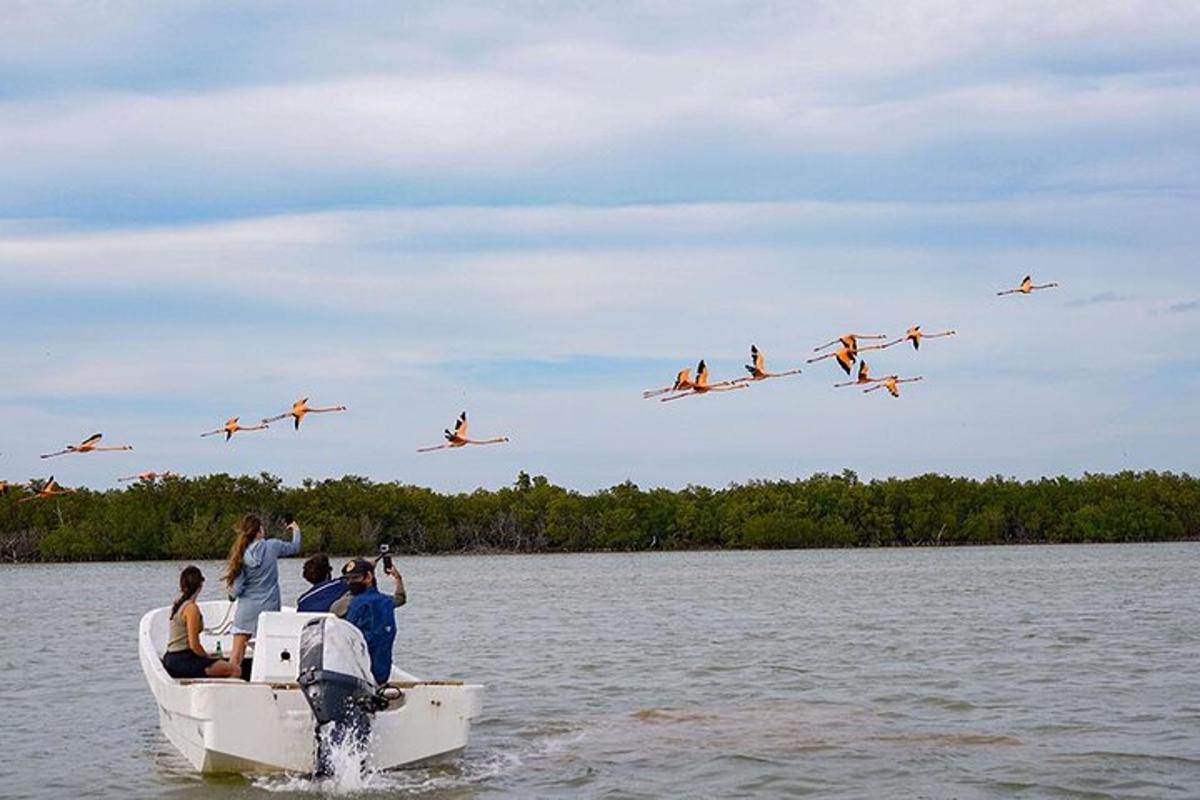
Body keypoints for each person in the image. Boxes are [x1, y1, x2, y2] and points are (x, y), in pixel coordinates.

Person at [224, 513, 301, 668]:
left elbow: (237, 590)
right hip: (269, 610)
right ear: (260, 530)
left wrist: (230, 595)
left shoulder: (241, 554)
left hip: (246, 612)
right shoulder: (273, 546)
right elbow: (295, 547)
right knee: (268, 654)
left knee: (236, 656)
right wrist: (296, 530)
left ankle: (232, 684)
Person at [334, 557, 407, 684]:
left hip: (356, 672)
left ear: (368, 577)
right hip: (382, 672)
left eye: (355, 578)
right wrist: (398, 578)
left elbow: (334, 610)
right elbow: (401, 598)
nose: (350, 583)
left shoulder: (353, 603)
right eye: (348, 579)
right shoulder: (386, 601)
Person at [162, 566, 241, 679]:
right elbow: (194, 644)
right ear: (200, 586)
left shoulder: (178, 603)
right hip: (182, 659)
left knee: (219, 666)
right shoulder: (191, 609)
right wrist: (207, 658)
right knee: (235, 670)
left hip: (171, 657)